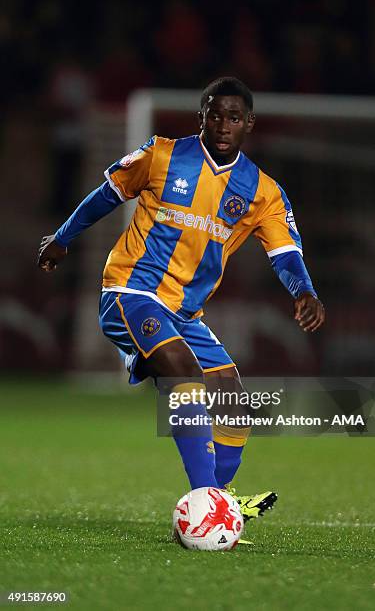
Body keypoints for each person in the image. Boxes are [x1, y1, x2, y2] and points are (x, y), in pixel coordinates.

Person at [38, 77, 325, 528]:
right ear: (201, 117)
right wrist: (62, 238)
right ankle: (206, 505)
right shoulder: (162, 155)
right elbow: (108, 193)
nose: (223, 124)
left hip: (185, 312)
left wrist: (303, 290)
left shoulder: (262, 191)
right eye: (214, 114)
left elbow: (285, 252)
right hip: (130, 291)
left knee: (233, 404)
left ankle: (221, 501)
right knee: (182, 369)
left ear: (249, 123)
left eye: (233, 117)